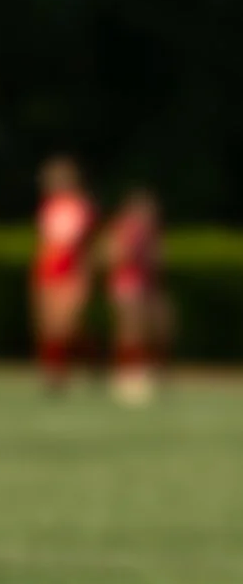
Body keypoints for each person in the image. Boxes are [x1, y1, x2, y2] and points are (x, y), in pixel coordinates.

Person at [31, 156, 97, 388]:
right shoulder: (47, 208)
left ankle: (93, 364)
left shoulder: (81, 208)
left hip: (71, 273)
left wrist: (84, 278)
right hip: (48, 272)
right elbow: (45, 244)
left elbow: (87, 248)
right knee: (48, 326)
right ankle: (54, 377)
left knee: (68, 326)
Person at [102, 189, 169, 404]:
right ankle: (127, 374)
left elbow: (158, 259)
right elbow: (110, 254)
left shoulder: (149, 231)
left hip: (146, 284)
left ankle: (142, 371)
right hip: (127, 282)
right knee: (130, 327)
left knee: (149, 327)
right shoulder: (124, 228)